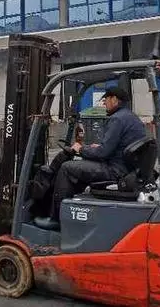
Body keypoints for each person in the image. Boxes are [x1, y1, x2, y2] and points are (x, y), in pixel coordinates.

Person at [36, 86, 146, 228]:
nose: (104, 103)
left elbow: (103, 153)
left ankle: (56, 219)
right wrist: (95, 148)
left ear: (114, 99)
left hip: (115, 171)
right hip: (124, 168)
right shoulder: (131, 117)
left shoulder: (117, 119)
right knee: (82, 165)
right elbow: (113, 147)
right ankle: (73, 209)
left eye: (106, 99)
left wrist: (81, 149)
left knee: (66, 168)